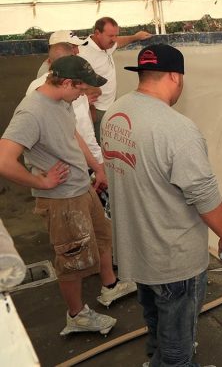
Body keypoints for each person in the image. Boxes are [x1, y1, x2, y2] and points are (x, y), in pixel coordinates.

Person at [102, 44, 222, 366]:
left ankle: (155, 358)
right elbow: (204, 194)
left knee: (156, 324)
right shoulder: (177, 130)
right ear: (176, 77)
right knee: (178, 348)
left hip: (138, 251)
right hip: (173, 259)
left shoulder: (114, 115)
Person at [0, 56, 136, 336]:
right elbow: (4, 160)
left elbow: (73, 134)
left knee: (102, 235)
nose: (84, 95)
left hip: (81, 185)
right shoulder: (32, 112)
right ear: (66, 82)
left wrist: (97, 167)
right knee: (72, 259)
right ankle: (77, 315)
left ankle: (109, 287)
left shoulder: (62, 102)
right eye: (82, 89)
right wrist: (41, 181)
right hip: (62, 199)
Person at [28, 39, 102, 166]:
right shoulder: (73, 89)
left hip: (47, 163)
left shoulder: (35, 86)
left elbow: (72, 129)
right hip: (69, 163)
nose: (82, 93)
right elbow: (84, 131)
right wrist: (99, 163)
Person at [78, 17, 152, 143]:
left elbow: (119, 42)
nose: (114, 39)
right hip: (97, 109)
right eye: (110, 35)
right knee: (100, 144)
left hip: (111, 104)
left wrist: (135, 37)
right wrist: (90, 108)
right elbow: (77, 83)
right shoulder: (83, 53)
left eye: (116, 35)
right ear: (97, 33)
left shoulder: (107, 44)